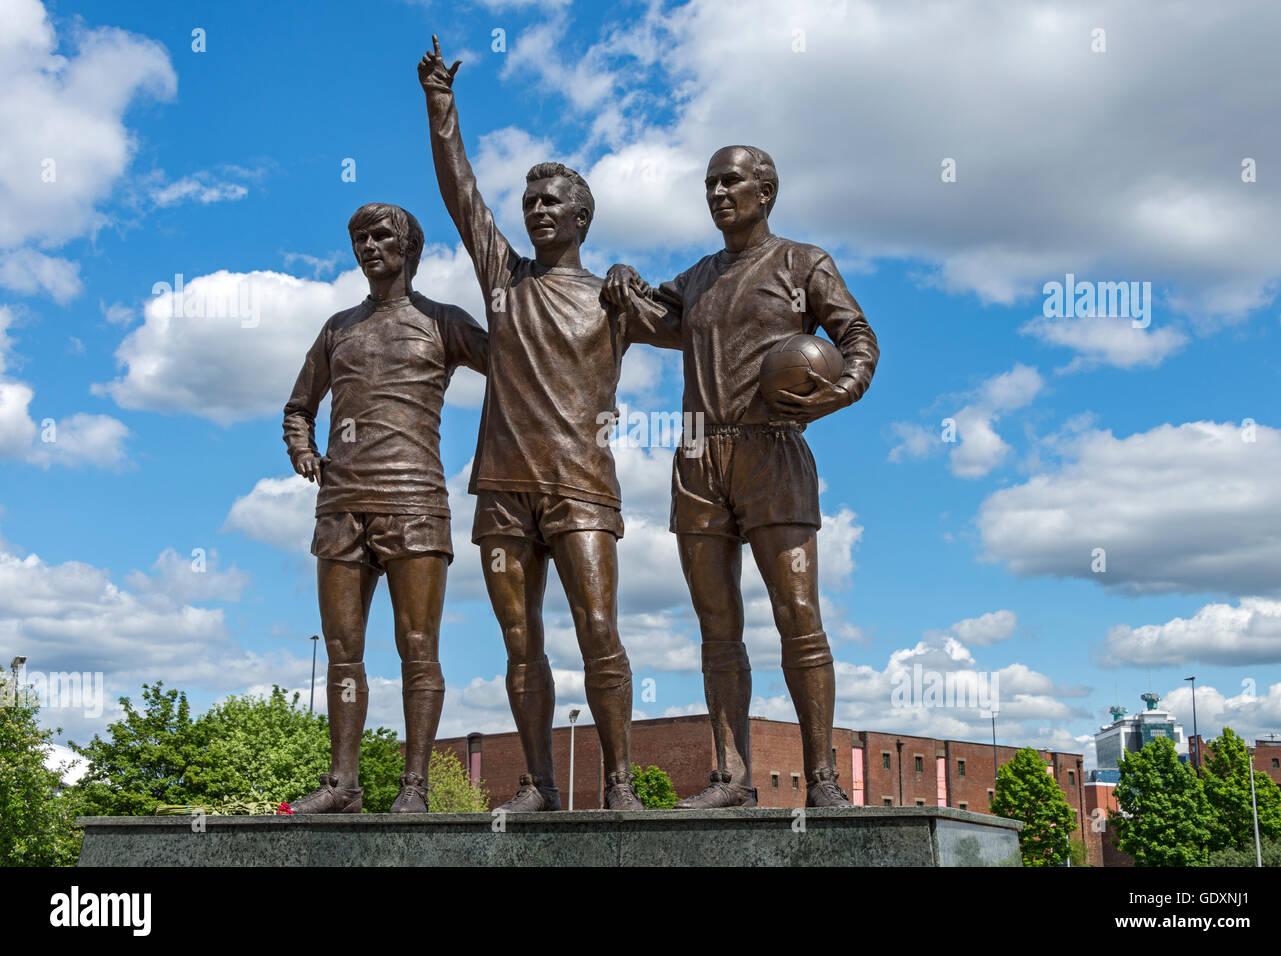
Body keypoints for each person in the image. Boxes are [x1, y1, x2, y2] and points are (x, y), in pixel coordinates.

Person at [603, 145, 880, 808]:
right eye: (710, 184)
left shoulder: (803, 263)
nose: (718, 193)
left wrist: (841, 390)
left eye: (731, 181)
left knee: (799, 614)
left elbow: (859, 337)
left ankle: (821, 779)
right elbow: (642, 312)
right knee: (716, 624)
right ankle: (731, 777)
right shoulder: (697, 279)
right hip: (699, 457)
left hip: (773, 451)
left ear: (766, 191)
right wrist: (621, 277)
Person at [419, 35, 654, 810]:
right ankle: (540, 782)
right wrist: (442, 104)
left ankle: (618, 782)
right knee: (520, 643)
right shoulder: (503, 277)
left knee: (598, 629)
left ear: (582, 215)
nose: (537, 211)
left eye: (552, 202)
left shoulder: (614, 298)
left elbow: (701, 322)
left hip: (581, 486)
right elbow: (461, 192)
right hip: (502, 491)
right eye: (530, 204)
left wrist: (635, 283)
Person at [283, 202, 488, 813]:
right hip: (341, 505)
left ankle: (415, 784)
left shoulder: (442, 321)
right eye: (359, 238)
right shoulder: (338, 328)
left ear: (409, 248)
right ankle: (343, 784)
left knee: (418, 646)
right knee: (342, 650)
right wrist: (303, 450)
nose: (368, 247)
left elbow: (515, 366)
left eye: (379, 236)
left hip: (415, 502)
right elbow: (299, 406)